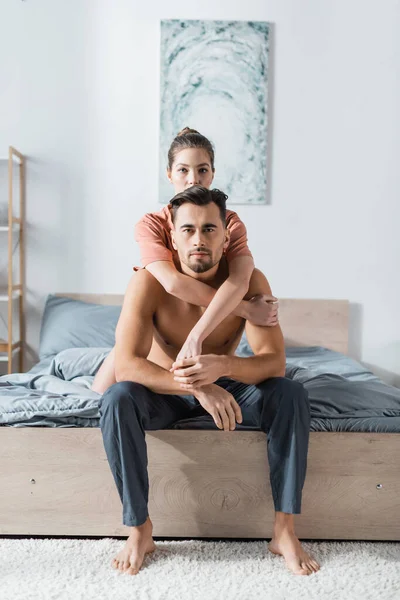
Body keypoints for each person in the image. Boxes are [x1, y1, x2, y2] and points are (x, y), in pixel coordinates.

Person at [98, 185, 320, 577]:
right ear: (172, 236)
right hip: (162, 389)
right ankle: (139, 529)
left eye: (209, 229)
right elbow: (129, 367)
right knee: (116, 398)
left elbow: (274, 363)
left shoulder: (250, 283)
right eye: (187, 230)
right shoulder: (147, 282)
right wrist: (198, 386)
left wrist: (221, 366)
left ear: (226, 235)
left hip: (225, 382)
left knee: (291, 395)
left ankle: (284, 530)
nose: (198, 240)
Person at [91, 127, 278, 395]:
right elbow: (172, 282)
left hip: (208, 346)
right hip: (158, 347)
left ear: (212, 173)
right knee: (99, 400)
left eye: (202, 170)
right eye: (183, 170)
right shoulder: (152, 224)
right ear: (169, 174)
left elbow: (240, 279)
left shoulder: (230, 223)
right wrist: (246, 310)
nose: (194, 179)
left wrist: (197, 336)